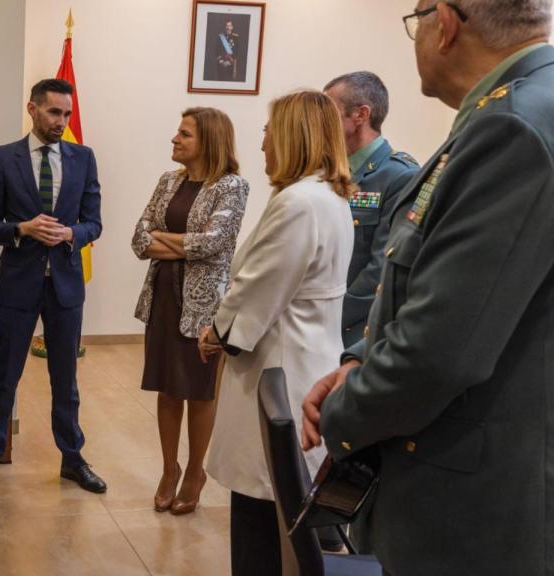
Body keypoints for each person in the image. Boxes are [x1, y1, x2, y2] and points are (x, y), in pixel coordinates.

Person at [302, 2, 554, 574]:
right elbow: (436, 285)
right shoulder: (513, 109)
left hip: (472, 499)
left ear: (444, 23)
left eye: (414, 18)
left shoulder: (513, 125)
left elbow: (441, 352)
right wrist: (361, 359)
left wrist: (344, 413)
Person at [198, 91, 354, 575]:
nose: (262, 140)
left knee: (262, 512)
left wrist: (217, 333)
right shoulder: (324, 195)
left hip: (278, 373)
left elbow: (257, 288)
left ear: (290, 136)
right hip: (305, 358)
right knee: (287, 511)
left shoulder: (298, 203)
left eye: (268, 130)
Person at [0, 78, 104, 498]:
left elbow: (94, 222)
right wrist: (22, 229)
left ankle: (72, 458)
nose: (61, 122)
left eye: (66, 114)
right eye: (53, 112)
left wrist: (71, 234)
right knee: (5, 378)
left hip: (65, 286)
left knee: (65, 381)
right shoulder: (3, 158)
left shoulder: (84, 158)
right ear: (32, 108)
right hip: (19, 284)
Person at [131, 107, 249, 515]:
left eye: (184, 134)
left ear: (209, 141)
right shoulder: (168, 181)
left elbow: (213, 244)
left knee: (199, 392)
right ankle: (169, 469)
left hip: (203, 305)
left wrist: (162, 239)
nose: (175, 139)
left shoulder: (232, 187)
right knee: (167, 387)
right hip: (163, 295)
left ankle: (195, 471)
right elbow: (138, 239)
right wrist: (174, 241)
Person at [323, 71, 420, 348]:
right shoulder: (332, 173)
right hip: (320, 326)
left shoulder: (400, 176)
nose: (321, 124)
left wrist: (328, 316)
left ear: (360, 115)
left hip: (356, 332)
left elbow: (382, 269)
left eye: (329, 113)